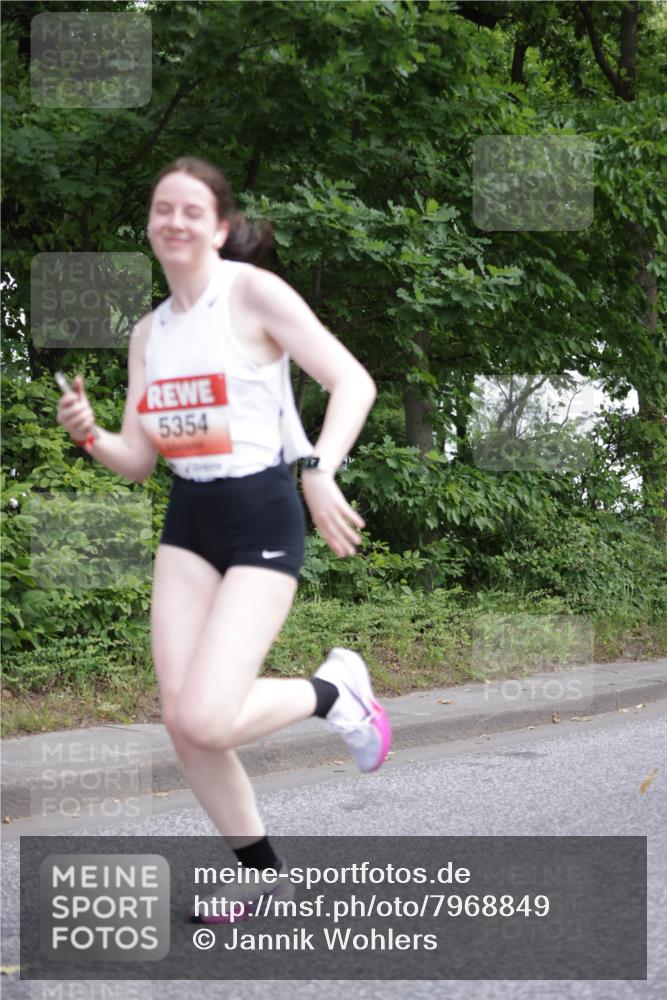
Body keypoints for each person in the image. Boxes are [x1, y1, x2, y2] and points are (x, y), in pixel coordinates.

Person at [56, 156, 392, 922]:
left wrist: (316, 466)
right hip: (189, 519)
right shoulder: (149, 333)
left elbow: (353, 382)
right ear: (149, 224)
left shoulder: (253, 295)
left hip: (261, 510)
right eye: (160, 209)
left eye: (190, 210)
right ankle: (262, 874)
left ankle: (333, 691)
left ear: (220, 226)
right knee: (184, 723)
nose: (173, 221)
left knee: (208, 716)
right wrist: (89, 435)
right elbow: (138, 461)